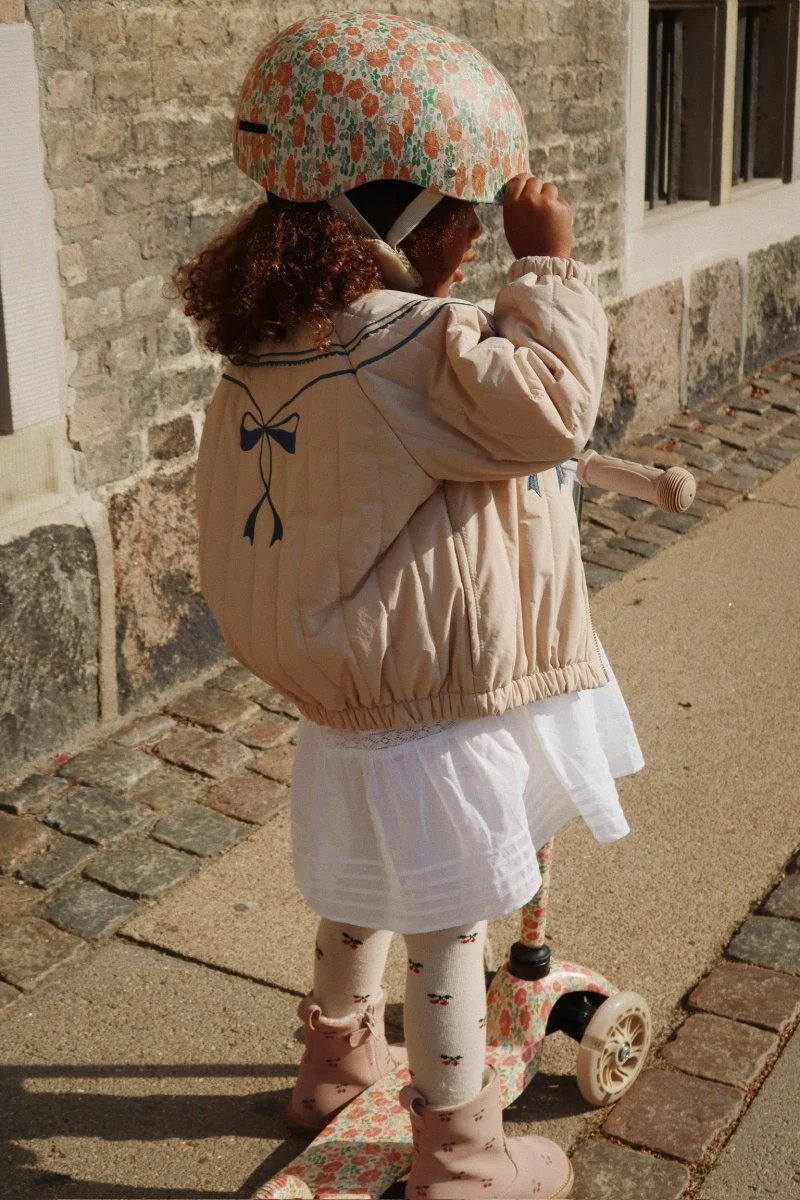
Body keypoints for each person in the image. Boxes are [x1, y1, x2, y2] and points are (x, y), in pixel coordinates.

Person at [179, 12, 643, 1199]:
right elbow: (547, 411)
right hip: (430, 706)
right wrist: (545, 265)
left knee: (358, 895)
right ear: (382, 222)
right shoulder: (409, 343)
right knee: (446, 932)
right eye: (460, 215)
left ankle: (332, 1067)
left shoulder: (279, 338)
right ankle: (463, 1157)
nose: (477, 233)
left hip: (348, 697)